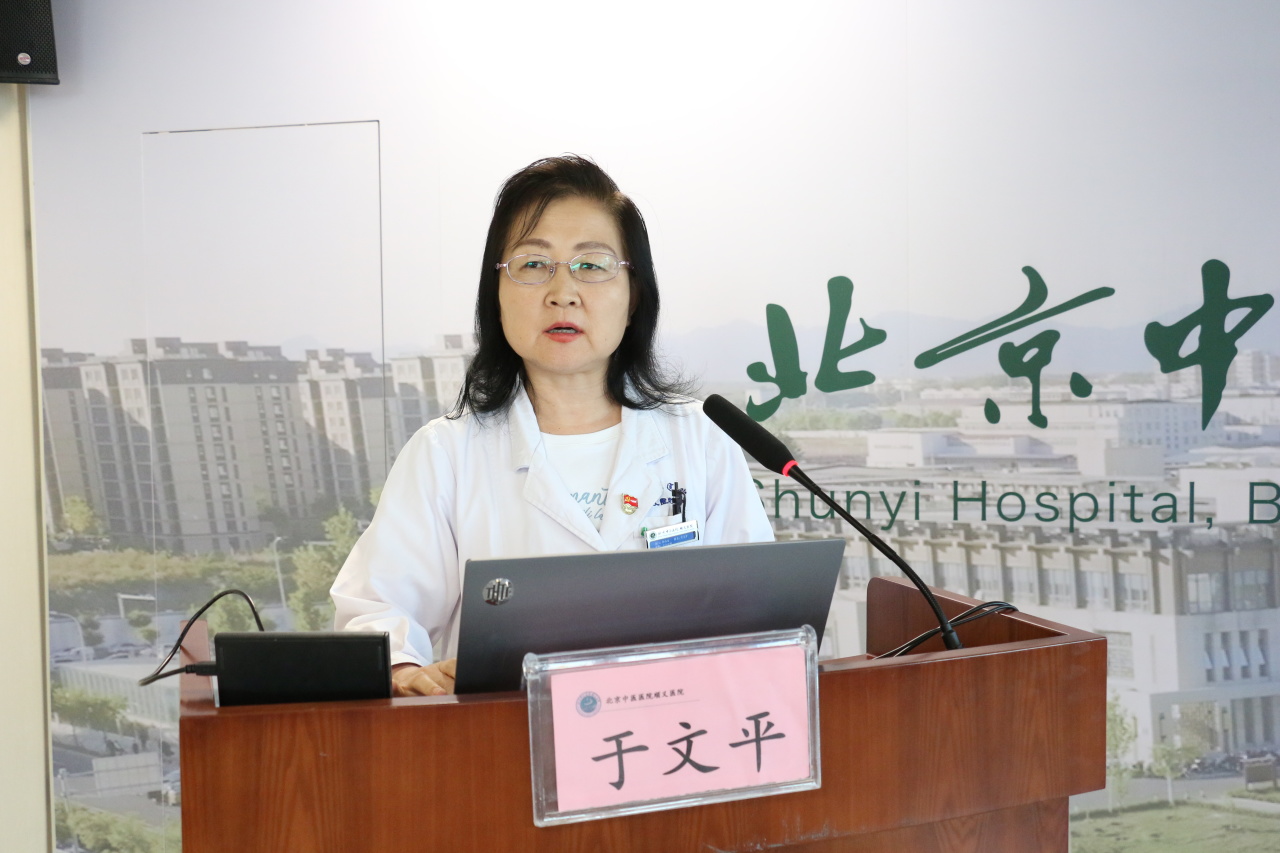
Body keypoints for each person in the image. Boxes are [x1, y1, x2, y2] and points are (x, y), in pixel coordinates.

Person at [331, 155, 773, 697]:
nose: (562, 291)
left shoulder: (700, 440)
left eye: (591, 265)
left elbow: (762, 613)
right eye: (534, 264)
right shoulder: (445, 454)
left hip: (675, 733)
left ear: (634, 294)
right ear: (497, 293)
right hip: (503, 740)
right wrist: (405, 672)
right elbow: (376, 609)